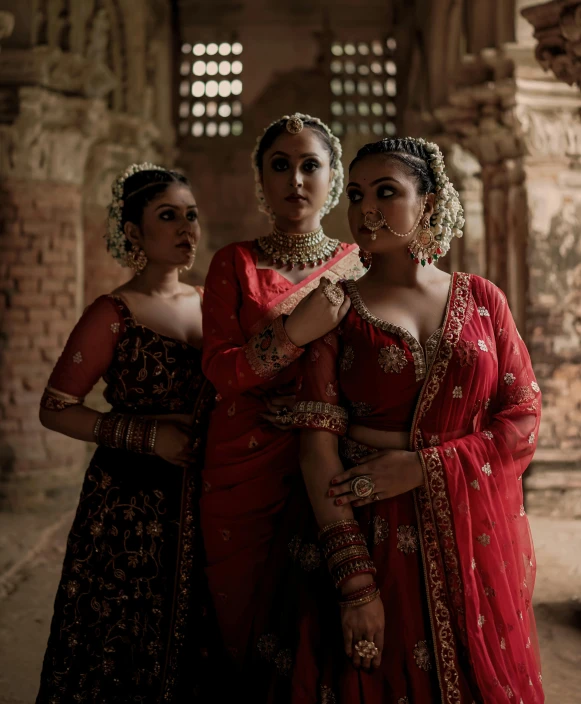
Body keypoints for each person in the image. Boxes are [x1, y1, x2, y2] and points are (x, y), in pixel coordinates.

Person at [279, 137, 543, 703]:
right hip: (367, 524)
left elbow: (522, 417)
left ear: (426, 204)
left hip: (471, 533)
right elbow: (315, 449)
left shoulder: (482, 299)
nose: (365, 208)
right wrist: (354, 584)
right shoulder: (337, 309)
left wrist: (426, 466)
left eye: (386, 192)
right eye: (355, 194)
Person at [36, 164, 215, 703]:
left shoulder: (213, 302)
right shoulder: (112, 313)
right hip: (127, 506)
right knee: (122, 639)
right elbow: (55, 407)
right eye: (168, 216)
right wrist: (146, 437)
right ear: (134, 233)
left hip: (207, 495)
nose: (187, 228)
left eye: (192, 216)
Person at [199, 113, 364, 678]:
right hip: (243, 461)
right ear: (261, 179)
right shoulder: (234, 263)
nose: (296, 179)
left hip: (335, 462)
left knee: (319, 620)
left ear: (333, 179)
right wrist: (296, 330)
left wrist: (312, 412)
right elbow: (221, 370)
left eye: (310, 165)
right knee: (241, 623)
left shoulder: (358, 264)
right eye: (281, 165)